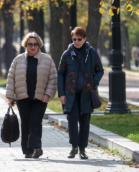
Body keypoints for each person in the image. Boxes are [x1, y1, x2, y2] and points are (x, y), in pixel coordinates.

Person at [6, 32, 57, 159]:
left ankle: (37, 147)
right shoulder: (17, 60)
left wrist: (48, 94)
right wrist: (10, 96)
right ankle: (27, 151)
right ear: (26, 45)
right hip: (22, 98)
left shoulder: (47, 59)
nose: (33, 47)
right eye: (30, 44)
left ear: (39, 45)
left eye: (35, 44)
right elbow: (11, 78)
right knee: (26, 122)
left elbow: (53, 78)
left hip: (40, 98)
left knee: (36, 121)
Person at [57, 27, 104, 159]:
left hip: (86, 94)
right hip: (70, 94)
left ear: (85, 39)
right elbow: (60, 73)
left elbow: (100, 70)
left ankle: (83, 149)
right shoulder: (66, 54)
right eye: (74, 39)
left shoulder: (92, 53)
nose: (76, 41)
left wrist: (93, 83)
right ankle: (74, 147)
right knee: (72, 120)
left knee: (85, 122)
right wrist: (61, 94)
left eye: (79, 39)